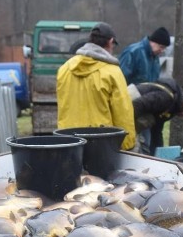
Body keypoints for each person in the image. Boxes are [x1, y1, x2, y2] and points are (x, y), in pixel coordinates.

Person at [57, 22, 136, 150]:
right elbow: (123, 112)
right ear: (110, 42)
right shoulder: (113, 72)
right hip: (101, 143)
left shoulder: (64, 69)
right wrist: (127, 144)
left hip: (68, 141)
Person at [119, 26, 171, 153]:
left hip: (147, 107)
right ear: (153, 42)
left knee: (147, 142)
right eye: (161, 47)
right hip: (130, 104)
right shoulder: (133, 52)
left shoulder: (155, 58)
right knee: (135, 143)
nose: (161, 51)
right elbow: (120, 79)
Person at [129, 78, 183, 154]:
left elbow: (157, 130)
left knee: (145, 147)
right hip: (127, 107)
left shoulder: (172, 108)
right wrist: (129, 128)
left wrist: (159, 154)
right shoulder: (167, 97)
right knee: (137, 148)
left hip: (135, 113)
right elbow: (138, 104)